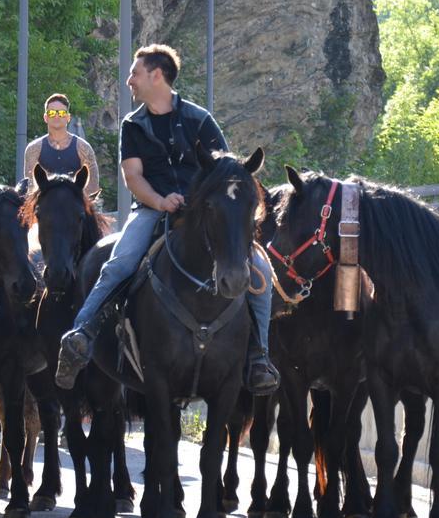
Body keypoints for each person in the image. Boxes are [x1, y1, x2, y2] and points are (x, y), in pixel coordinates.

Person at [53, 44, 280, 394]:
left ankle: (259, 357)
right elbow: (133, 177)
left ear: (156, 75)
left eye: (135, 73)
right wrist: (160, 201)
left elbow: (224, 170)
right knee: (119, 263)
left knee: (260, 273)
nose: (129, 80)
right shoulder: (133, 125)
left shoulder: (199, 119)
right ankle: (81, 335)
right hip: (151, 210)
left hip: (203, 215)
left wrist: (198, 201)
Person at [23, 93, 100, 194]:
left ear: (68, 117)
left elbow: (92, 189)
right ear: (45, 117)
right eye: (52, 113)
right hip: (44, 205)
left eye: (62, 113)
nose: (56, 116)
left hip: (75, 205)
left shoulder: (83, 148)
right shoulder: (33, 149)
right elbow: (30, 190)